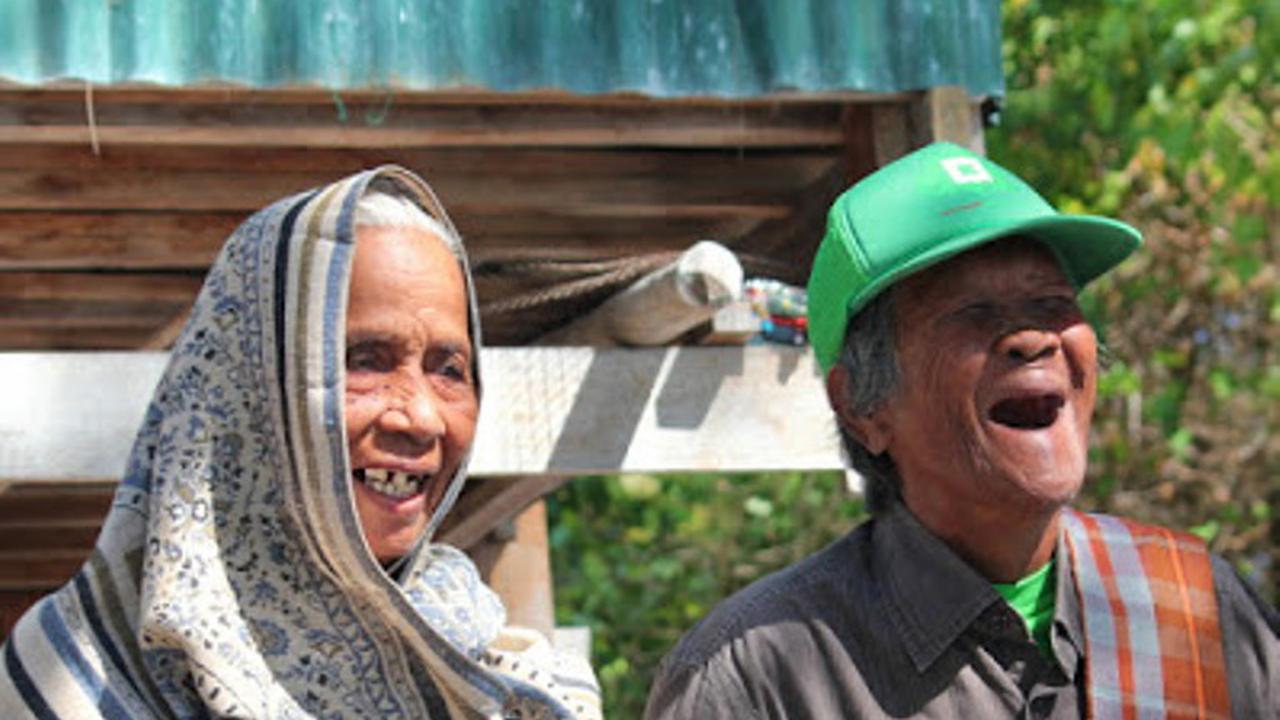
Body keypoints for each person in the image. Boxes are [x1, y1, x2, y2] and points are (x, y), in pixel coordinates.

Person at [646, 143, 1279, 719]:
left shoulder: (1194, 605)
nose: (1034, 339)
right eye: (974, 313)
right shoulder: (756, 677)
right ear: (864, 408)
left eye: (1053, 303)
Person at [0, 167, 601, 718]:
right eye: (364, 360)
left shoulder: (520, 684)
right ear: (247, 390)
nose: (421, 417)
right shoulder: (77, 682)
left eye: (449, 369)